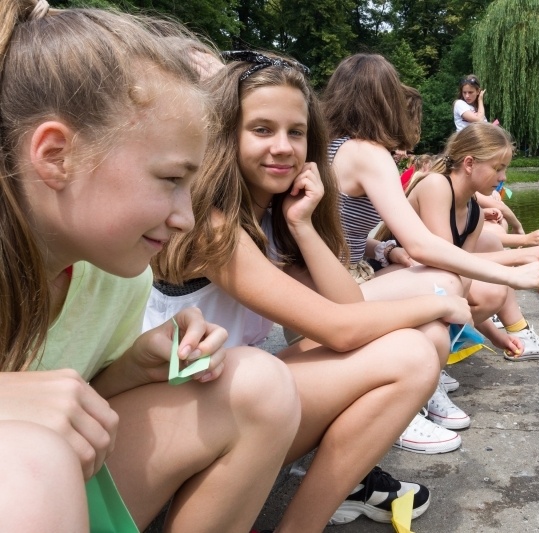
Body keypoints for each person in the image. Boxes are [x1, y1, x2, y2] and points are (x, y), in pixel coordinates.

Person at [0, 3, 300, 533]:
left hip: (66, 487)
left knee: (257, 382)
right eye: (169, 179)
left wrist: (135, 366)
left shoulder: (119, 276)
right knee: (30, 463)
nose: (186, 218)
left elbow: (84, 403)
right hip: (29, 490)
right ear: (56, 156)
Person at [147, 50, 472, 531]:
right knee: (411, 351)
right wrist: (440, 302)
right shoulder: (209, 224)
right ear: (224, 134)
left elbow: (346, 305)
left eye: (295, 132)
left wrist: (301, 225)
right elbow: (340, 329)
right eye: (261, 130)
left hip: (231, 400)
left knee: (420, 345)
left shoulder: (270, 217)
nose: (282, 147)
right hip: (172, 420)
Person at [396, 123, 539, 361]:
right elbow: (443, 263)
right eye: (498, 168)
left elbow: (462, 277)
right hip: (393, 279)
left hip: (427, 289)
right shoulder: (436, 186)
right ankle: (423, 357)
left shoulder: (474, 213)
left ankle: (438, 351)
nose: (503, 177)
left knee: (487, 280)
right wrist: (518, 257)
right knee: (478, 286)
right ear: (469, 164)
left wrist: (493, 335)